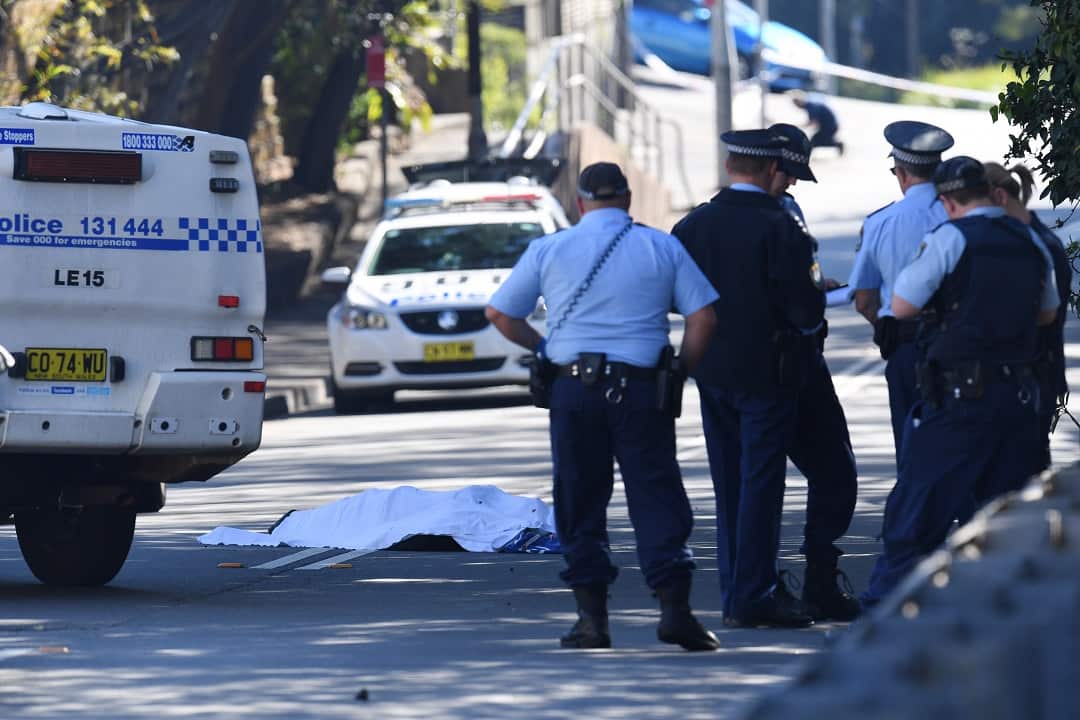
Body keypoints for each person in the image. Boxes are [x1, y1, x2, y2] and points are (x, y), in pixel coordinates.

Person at [485, 162, 722, 651]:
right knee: (656, 495)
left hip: (573, 390)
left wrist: (545, 349)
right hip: (642, 390)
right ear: (628, 199)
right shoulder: (660, 246)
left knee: (579, 498)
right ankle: (675, 611)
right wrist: (681, 369)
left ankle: (592, 620)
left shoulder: (550, 248)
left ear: (580, 203)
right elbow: (703, 317)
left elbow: (500, 313)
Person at [860, 157, 1059, 608]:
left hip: (961, 400)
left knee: (916, 514)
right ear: (991, 193)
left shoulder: (951, 237)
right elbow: (1047, 314)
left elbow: (903, 306)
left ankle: (881, 616)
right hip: (1018, 401)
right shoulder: (1029, 239)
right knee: (1008, 521)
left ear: (948, 202)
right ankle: (1006, 620)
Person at [671, 130, 825, 628]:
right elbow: (806, 309)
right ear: (770, 169)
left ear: (730, 166)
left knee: (729, 484)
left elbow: (675, 296)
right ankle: (754, 595)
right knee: (762, 483)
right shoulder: (781, 226)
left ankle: (735, 590)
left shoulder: (693, 224)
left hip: (712, 370)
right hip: (768, 372)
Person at [767, 123, 860, 622]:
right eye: (788, 173)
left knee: (833, 472)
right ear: (767, 165)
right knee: (768, 481)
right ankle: (765, 586)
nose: (793, 183)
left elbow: (806, 276)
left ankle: (815, 579)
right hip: (782, 365)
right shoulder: (758, 218)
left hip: (797, 359)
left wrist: (819, 287)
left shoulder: (789, 210)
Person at [848, 120, 954, 459]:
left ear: (902, 174)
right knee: (960, 450)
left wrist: (890, 328)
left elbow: (865, 300)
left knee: (912, 452)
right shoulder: (959, 214)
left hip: (907, 348)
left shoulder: (880, 222)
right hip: (962, 346)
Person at [984, 161, 1072, 471]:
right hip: (1028, 373)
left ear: (999, 197)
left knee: (1023, 472)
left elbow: (1042, 316)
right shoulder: (1027, 241)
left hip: (1034, 372)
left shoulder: (1037, 245)